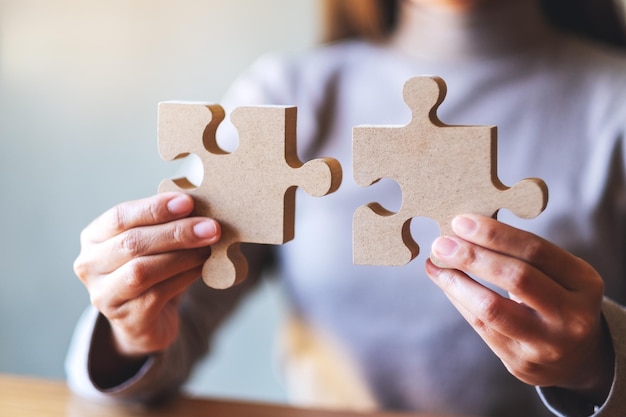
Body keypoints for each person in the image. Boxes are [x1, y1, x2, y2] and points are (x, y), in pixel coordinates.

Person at [66, 0, 626, 415]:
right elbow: (148, 359)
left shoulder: (613, 103)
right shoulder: (288, 94)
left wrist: (597, 362)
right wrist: (129, 335)